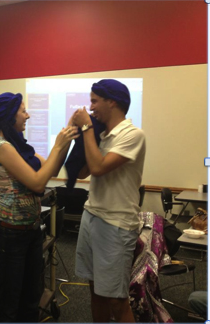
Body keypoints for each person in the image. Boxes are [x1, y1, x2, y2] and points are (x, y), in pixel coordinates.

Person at [0, 92, 79, 322]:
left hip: (31, 231)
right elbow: (37, 182)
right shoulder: (3, 147)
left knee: (30, 298)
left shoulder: (23, 148)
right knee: (9, 302)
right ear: (9, 117)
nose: (28, 115)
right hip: (9, 235)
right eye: (23, 111)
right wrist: (57, 145)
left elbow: (51, 169)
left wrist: (68, 136)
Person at [72, 79, 146, 323]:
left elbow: (98, 167)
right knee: (96, 291)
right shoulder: (101, 135)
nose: (90, 107)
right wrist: (78, 136)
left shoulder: (132, 134)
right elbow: (82, 172)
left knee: (116, 298)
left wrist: (86, 130)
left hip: (116, 224)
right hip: (91, 216)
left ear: (112, 101)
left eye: (94, 101)